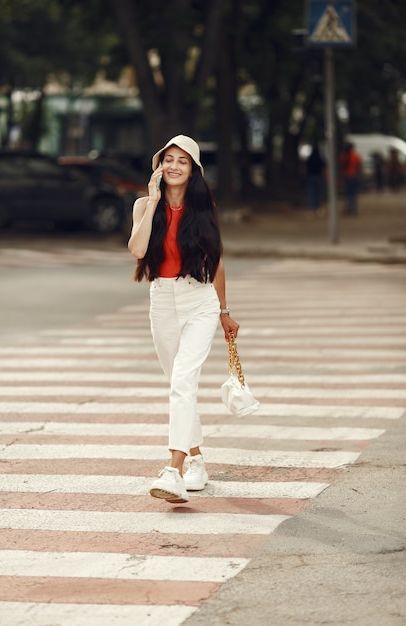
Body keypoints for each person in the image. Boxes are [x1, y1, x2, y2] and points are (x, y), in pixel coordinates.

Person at [128, 135, 239, 504]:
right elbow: (137, 250)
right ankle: (197, 461)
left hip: (200, 300)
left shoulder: (203, 209)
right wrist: (156, 200)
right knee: (179, 385)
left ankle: (173, 471)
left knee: (183, 382)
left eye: (183, 161)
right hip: (161, 300)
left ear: (193, 171)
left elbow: (217, 262)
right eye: (168, 159)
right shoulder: (145, 204)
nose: (174, 166)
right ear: (159, 166)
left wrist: (224, 312)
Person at [339, 142, 362, 215]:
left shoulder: (343, 155)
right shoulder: (355, 155)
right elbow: (359, 166)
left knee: (347, 193)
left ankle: (348, 208)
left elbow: (341, 166)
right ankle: (353, 208)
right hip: (353, 176)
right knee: (353, 193)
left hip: (347, 176)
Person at [305, 144, 326, 217]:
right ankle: (318, 208)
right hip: (318, 177)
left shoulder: (309, 159)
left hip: (310, 177)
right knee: (318, 194)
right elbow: (323, 170)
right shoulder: (320, 159)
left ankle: (311, 209)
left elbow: (305, 169)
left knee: (311, 194)